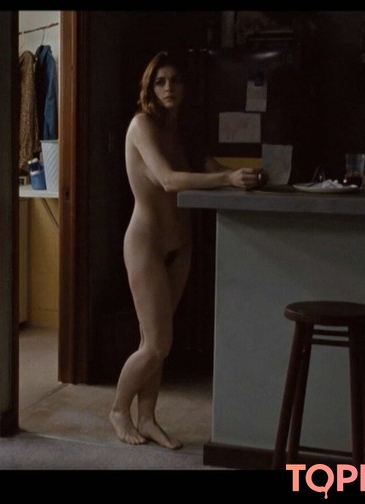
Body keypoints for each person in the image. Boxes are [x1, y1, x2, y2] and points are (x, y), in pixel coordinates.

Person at [110, 51, 261, 449]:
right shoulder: (142, 125)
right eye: (160, 81)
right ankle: (119, 410)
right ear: (149, 87)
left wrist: (245, 176)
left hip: (181, 245)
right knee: (156, 344)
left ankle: (147, 418)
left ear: (185, 86)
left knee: (157, 343)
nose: (168, 88)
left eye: (175, 80)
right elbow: (168, 180)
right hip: (146, 244)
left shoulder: (183, 131)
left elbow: (210, 165)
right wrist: (227, 179)